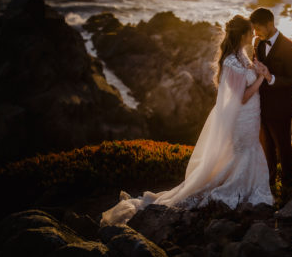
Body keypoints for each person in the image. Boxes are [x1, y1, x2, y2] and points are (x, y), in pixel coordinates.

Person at [100, 15, 275, 227]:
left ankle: (247, 185)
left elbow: (245, 81)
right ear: (243, 35)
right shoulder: (231, 61)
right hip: (243, 115)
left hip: (251, 115)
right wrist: (261, 79)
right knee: (244, 151)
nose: (253, 34)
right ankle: (239, 188)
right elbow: (243, 97)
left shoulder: (241, 54)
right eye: (250, 32)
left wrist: (256, 69)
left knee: (248, 150)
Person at [250, 7, 292, 203]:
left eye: (258, 29)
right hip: (261, 106)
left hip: (281, 108)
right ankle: (269, 184)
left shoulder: (289, 47)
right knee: (266, 148)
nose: (255, 34)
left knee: (283, 148)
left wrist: (271, 78)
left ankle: (289, 187)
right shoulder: (258, 43)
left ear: (270, 24)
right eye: (253, 30)